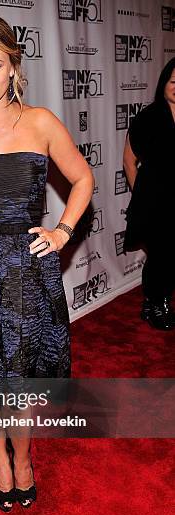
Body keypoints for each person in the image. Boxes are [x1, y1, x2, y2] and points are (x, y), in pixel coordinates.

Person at [0, 14, 93, 512]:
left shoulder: (41, 121)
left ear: (13, 66)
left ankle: (23, 456)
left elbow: (83, 179)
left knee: (23, 374)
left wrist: (63, 231)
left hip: (29, 268)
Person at [123, 57, 175, 330]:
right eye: (174, 81)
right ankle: (155, 303)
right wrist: (141, 195)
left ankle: (154, 303)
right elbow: (128, 161)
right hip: (154, 202)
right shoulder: (148, 117)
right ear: (164, 83)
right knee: (161, 255)